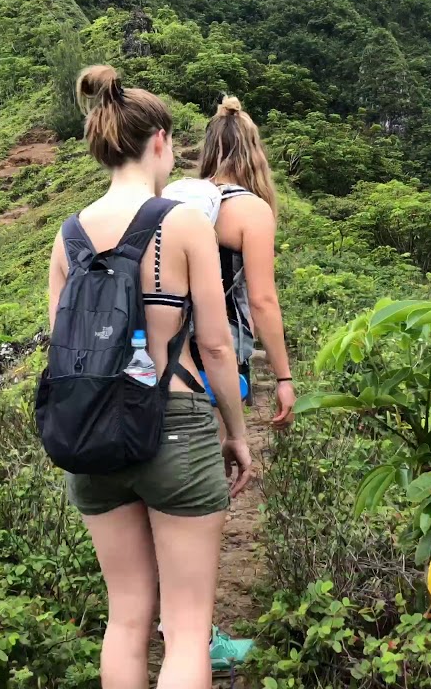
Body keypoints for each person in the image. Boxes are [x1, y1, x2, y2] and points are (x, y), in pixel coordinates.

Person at [48, 65, 254, 688]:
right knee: (188, 628)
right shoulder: (186, 223)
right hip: (176, 421)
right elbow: (216, 347)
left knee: (126, 619)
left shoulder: (67, 238)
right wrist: (237, 433)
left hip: (92, 436)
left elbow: (63, 349)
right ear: (160, 140)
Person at [197, 96, 297, 429]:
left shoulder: (182, 200)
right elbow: (262, 301)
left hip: (167, 348)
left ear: (210, 148)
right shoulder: (251, 210)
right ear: (252, 151)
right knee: (217, 458)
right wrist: (283, 379)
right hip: (220, 350)